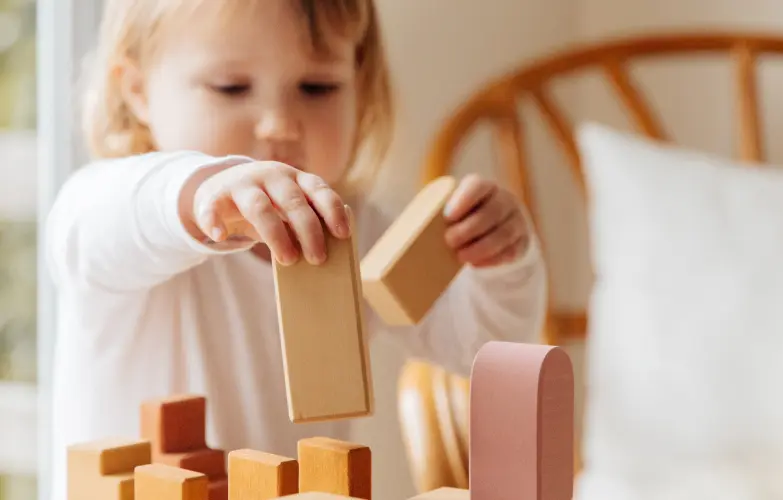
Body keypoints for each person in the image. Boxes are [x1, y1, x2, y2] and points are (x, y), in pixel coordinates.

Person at [46, 0, 547, 497]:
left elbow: (480, 349)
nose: (279, 124)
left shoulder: (358, 232)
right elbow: (90, 228)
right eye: (231, 87)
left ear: (360, 88)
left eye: (317, 87)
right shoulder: (124, 213)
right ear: (137, 92)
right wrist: (200, 194)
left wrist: (500, 265)